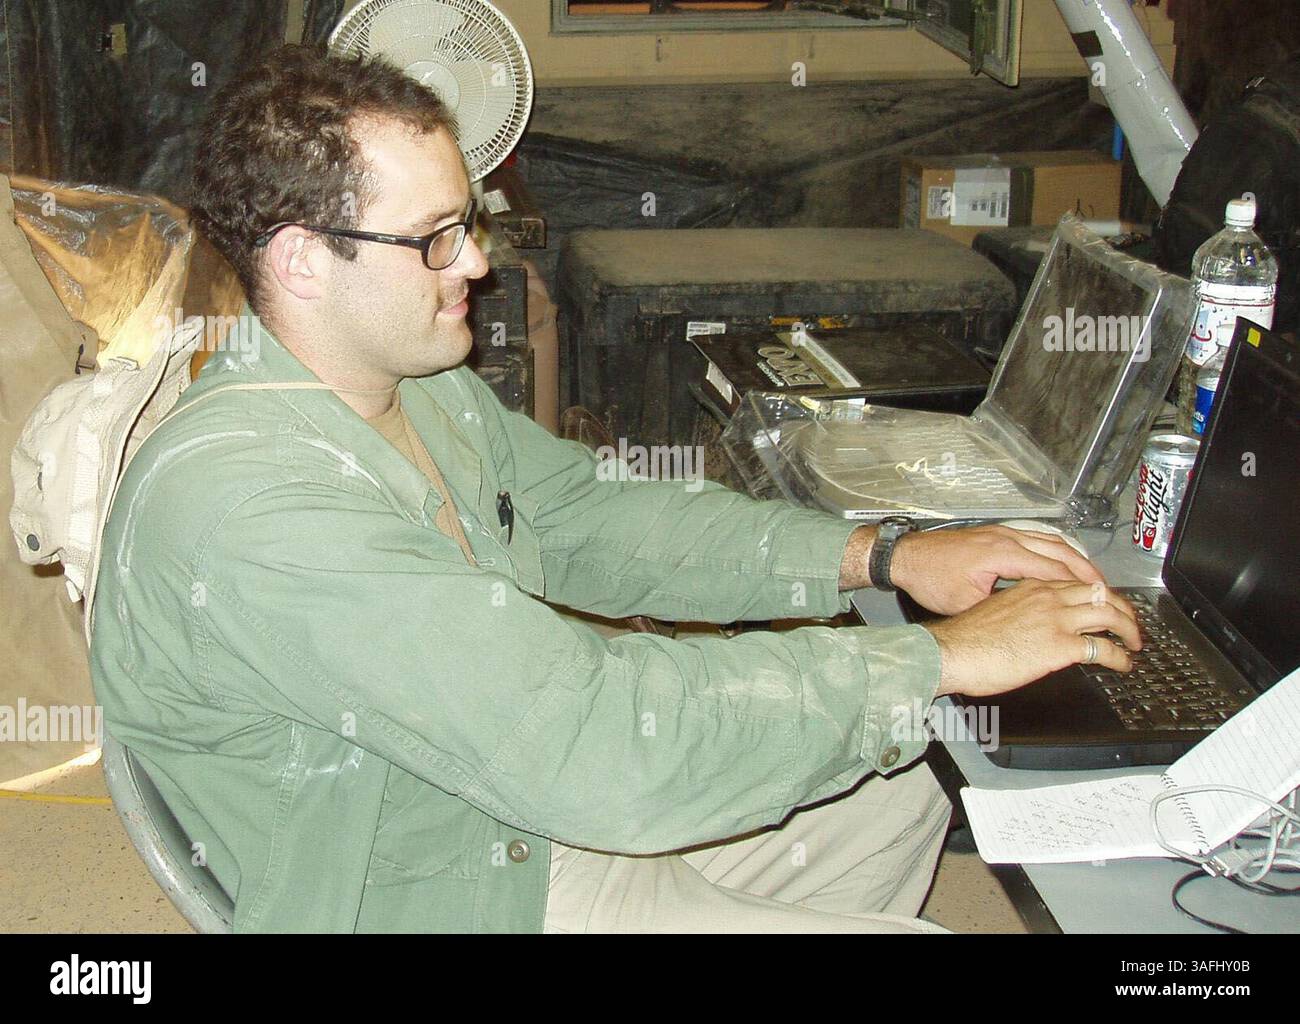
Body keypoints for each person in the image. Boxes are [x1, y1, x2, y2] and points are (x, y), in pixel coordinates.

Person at [89, 45, 1141, 933]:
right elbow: (595, 743)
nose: (478, 265)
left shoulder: (414, 385)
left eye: (472, 221)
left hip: (512, 797)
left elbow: (585, 514)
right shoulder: (257, 511)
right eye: (437, 238)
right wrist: (938, 655)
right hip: (448, 887)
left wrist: (877, 554)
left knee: (893, 789)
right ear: (303, 260)